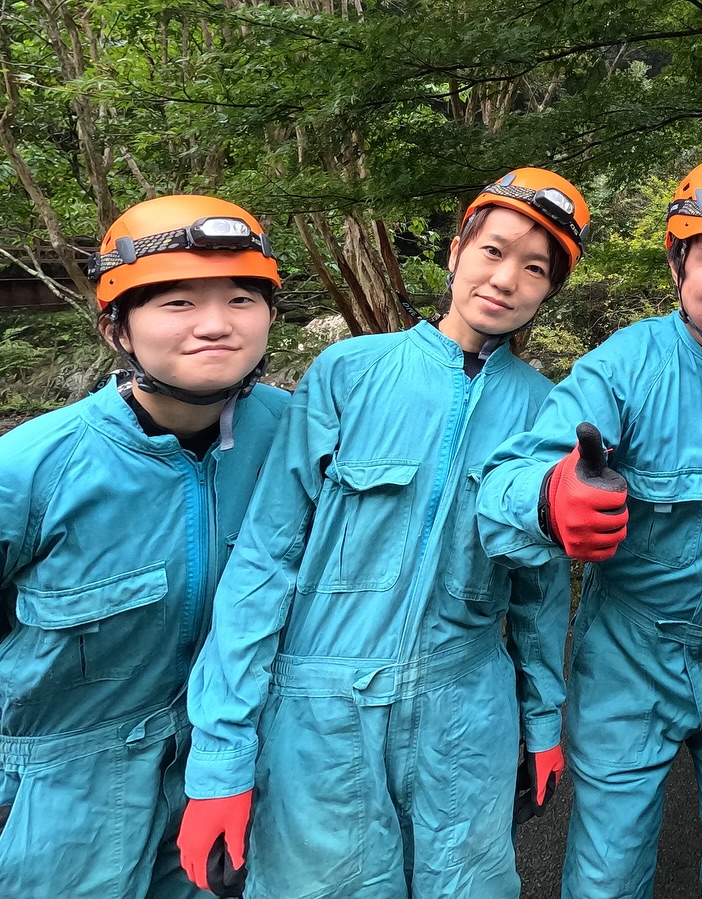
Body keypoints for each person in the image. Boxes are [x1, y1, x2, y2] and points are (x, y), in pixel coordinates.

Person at [178, 169, 589, 899]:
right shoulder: (349, 372)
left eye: (535, 269)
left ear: (548, 291)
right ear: (457, 248)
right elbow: (266, 561)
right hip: (319, 718)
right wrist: (221, 763)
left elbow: (538, 590)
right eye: (494, 251)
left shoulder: (545, 410)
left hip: (467, 714)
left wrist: (543, 719)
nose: (506, 279)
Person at [478, 155, 702, 899]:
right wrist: (551, 499)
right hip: (631, 658)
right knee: (607, 874)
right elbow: (503, 484)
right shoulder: (625, 366)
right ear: (677, 265)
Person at [0, 195, 286, 899]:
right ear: (116, 329)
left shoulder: (296, 439)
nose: (216, 324)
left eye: (242, 298)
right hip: (55, 810)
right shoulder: (33, 470)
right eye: (179, 302)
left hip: (231, 785)